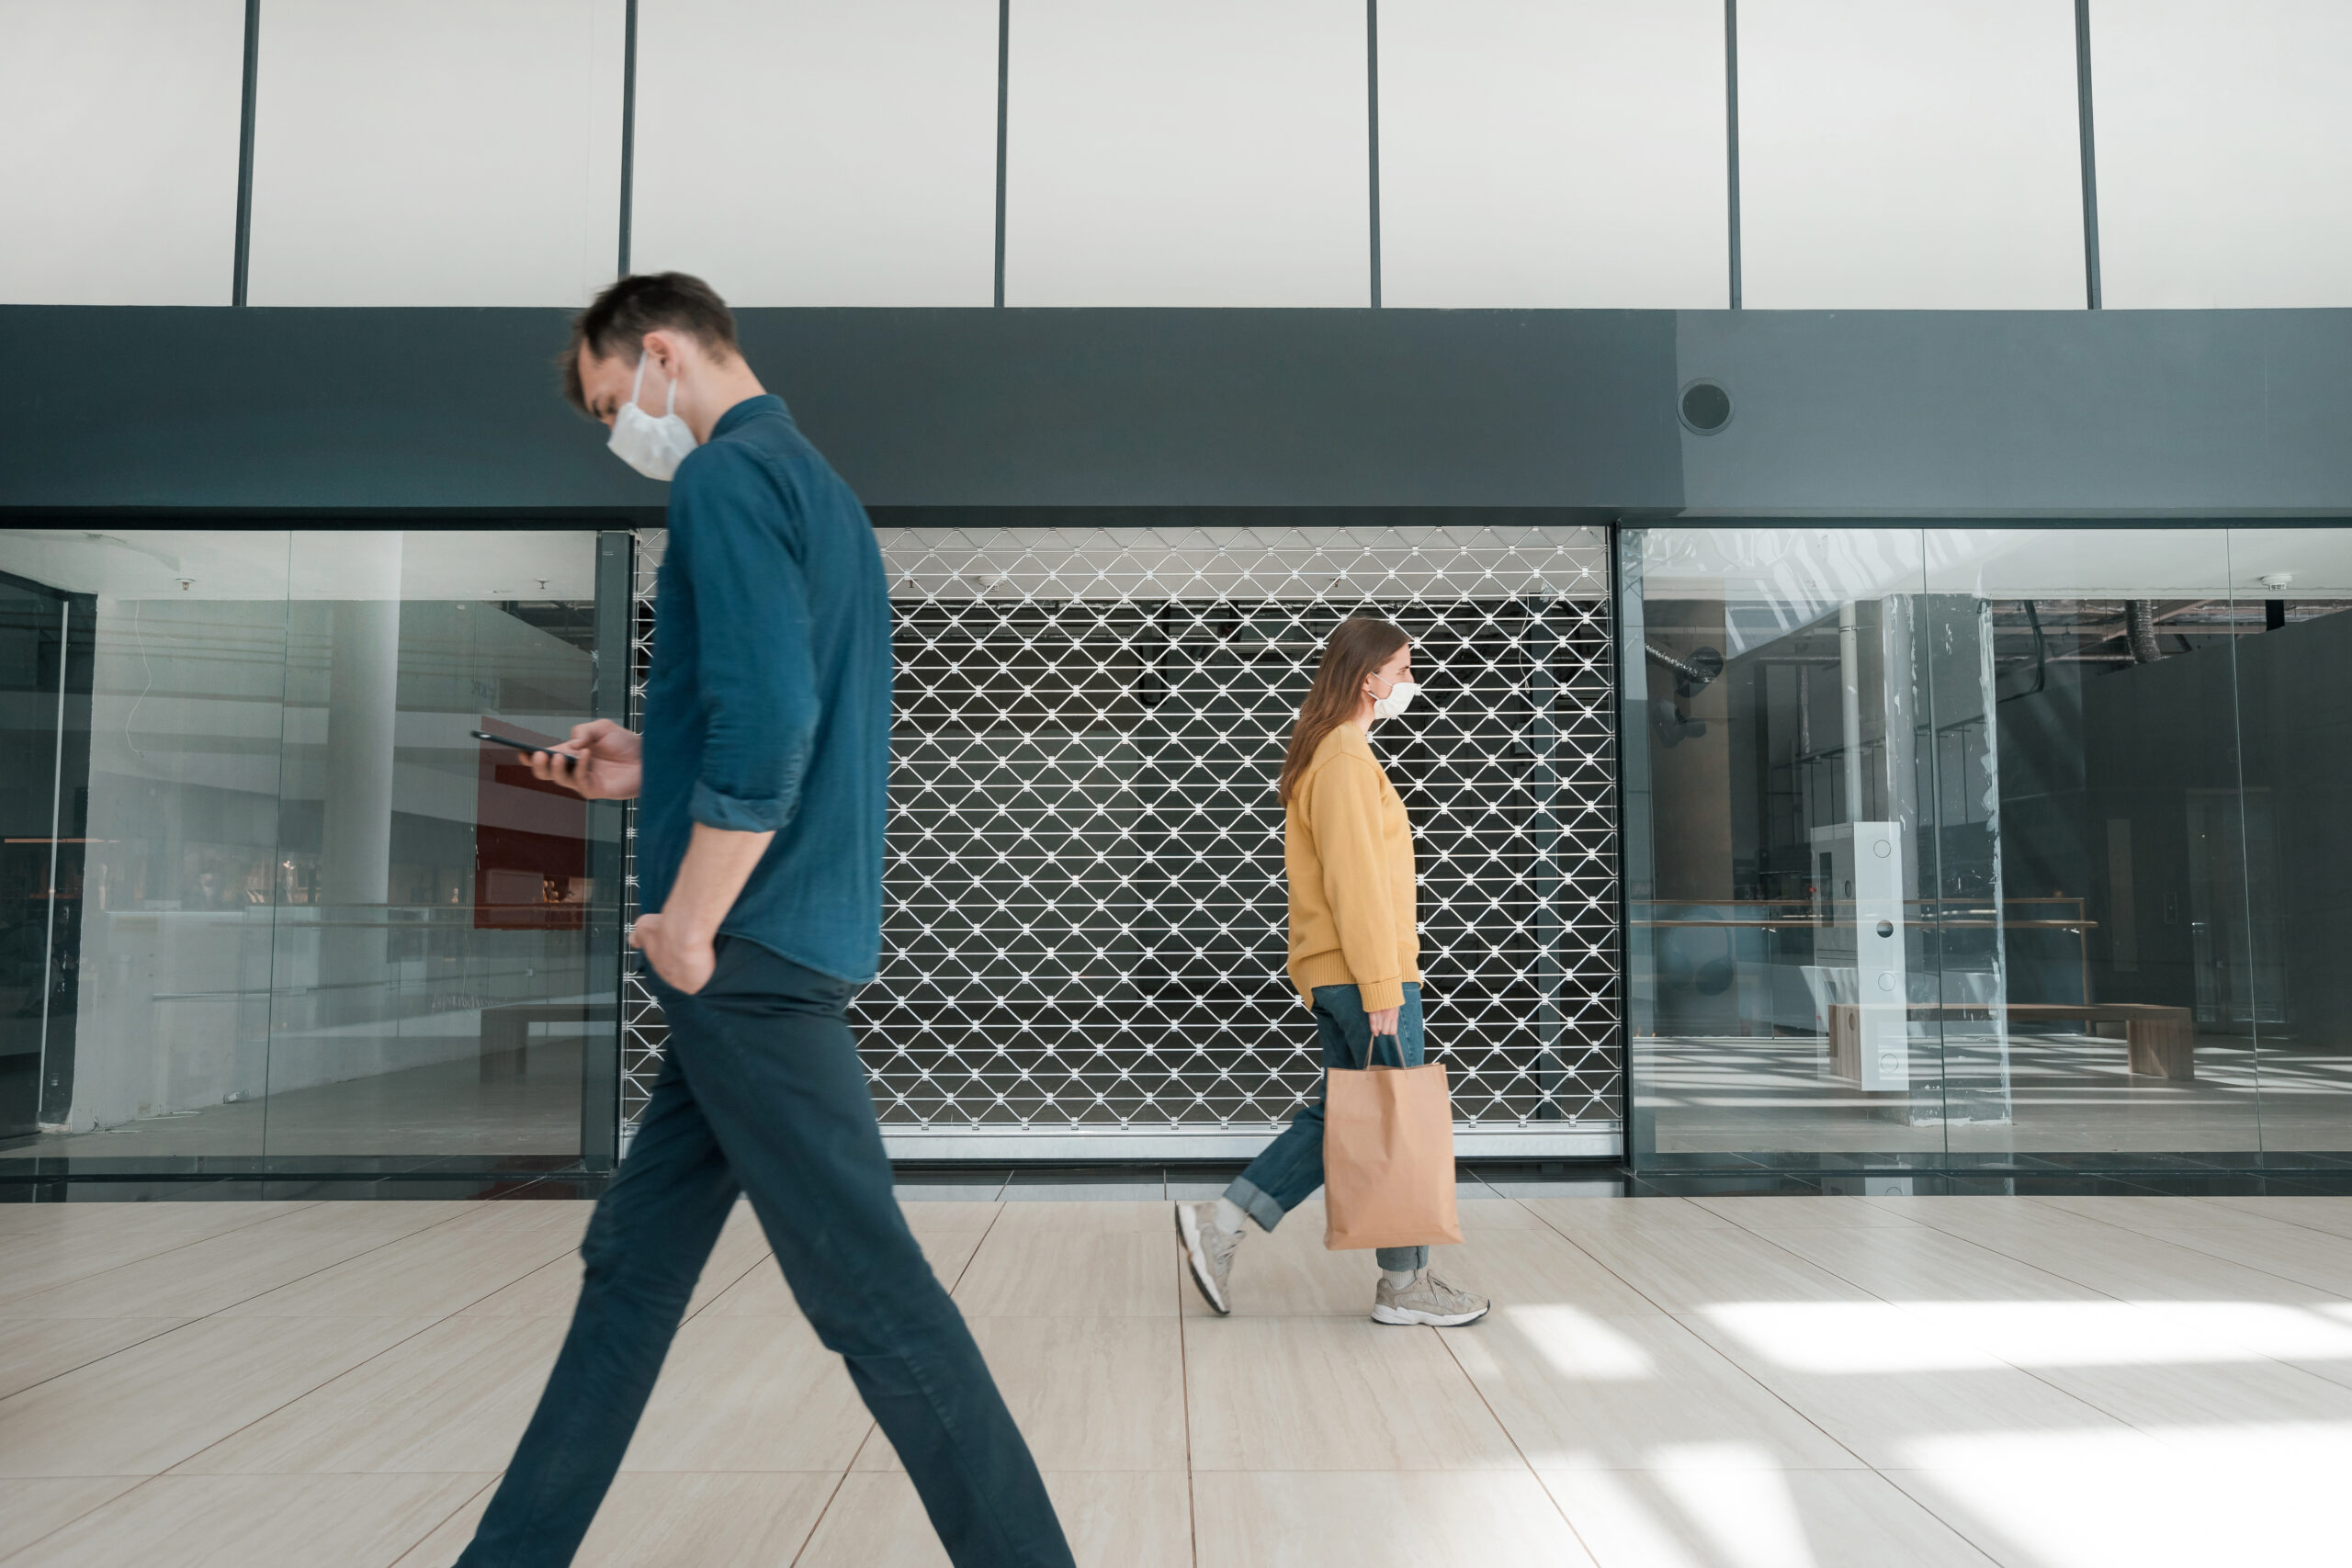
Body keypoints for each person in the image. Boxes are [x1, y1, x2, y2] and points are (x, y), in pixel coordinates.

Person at [454, 273, 1072, 1568]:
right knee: (631, 1264)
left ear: (665, 355)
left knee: (873, 1298)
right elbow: (782, 711)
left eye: (617, 403)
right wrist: (644, 759)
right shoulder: (823, 494)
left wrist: (687, 924)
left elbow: (776, 729)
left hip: (744, 956)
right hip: (781, 945)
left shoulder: (724, 481)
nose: (625, 432)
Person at [1176, 615, 1491, 1327]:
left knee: (1347, 1116)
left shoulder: (1332, 752)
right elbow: (1356, 884)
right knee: (1396, 1120)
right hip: (1367, 975)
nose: (1410, 682)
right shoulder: (1346, 757)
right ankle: (1406, 1285)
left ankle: (1220, 1222)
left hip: (1342, 972)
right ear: (1368, 677)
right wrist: (1385, 987)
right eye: (1404, 669)